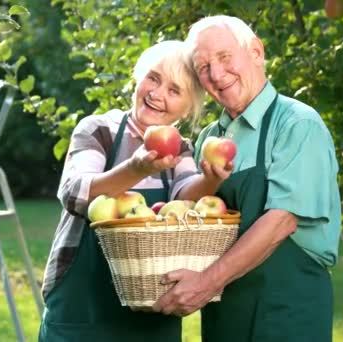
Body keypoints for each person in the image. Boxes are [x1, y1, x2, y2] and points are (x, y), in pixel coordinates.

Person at [153, 15, 342, 342]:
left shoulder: (297, 123)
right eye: (203, 67)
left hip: (288, 310)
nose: (216, 74)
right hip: (225, 315)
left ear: (256, 52)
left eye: (225, 57)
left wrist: (207, 282)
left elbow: (282, 221)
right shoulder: (210, 138)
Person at [38, 40, 227, 341]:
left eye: (174, 90)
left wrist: (211, 180)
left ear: (188, 107)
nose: (156, 94)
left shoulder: (179, 149)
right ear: (138, 77)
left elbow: (183, 200)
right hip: (82, 310)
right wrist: (136, 170)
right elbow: (74, 194)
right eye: (153, 78)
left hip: (151, 311)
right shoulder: (98, 130)